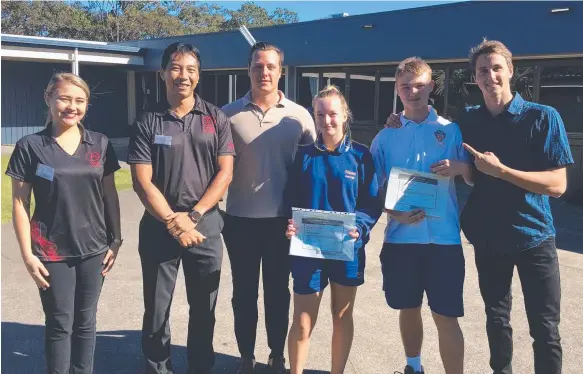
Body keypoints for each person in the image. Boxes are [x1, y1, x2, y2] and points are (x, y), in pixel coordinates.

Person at [458, 40, 573, 374]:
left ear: (510, 71)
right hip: (489, 238)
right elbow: (441, 140)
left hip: (534, 237)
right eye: (482, 70)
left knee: (545, 329)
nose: (490, 75)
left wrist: (502, 172)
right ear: (475, 78)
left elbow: (558, 185)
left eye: (496, 67)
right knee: (496, 319)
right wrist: (396, 120)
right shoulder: (469, 120)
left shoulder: (543, 118)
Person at [127, 42, 235, 374]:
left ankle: (200, 367)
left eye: (190, 69)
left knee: (204, 308)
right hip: (160, 227)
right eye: (175, 68)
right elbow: (142, 182)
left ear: (198, 76)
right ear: (162, 73)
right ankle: (157, 368)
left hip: (205, 226)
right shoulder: (148, 121)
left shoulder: (216, 117)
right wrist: (173, 220)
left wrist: (194, 216)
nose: (182, 76)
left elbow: (225, 172)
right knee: (157, 309)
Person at [6, 72, 123, 373]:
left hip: (95, 249)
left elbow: (109, 195)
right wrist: (28, 255)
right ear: (49, 98)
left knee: (86, 323)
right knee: (60, 324)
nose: (72, 107)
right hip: (51, 251)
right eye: (64, 98)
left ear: (87, 105)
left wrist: (116, 239)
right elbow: (20, 203)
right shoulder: (30, 146)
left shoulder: (100, 143)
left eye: (79, 101)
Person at [371, 57, 472, 374]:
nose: (413, 92)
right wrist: (393, 211)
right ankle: (413, 366)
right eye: (405, 87)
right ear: (397, 90)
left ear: (431, 86)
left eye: (419, 85)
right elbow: (371, 188)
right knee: (408, 307)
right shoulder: (386, 136)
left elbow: (472, 176)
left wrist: (460, 167)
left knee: (446, 315)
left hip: (444, 241)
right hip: (401, 240)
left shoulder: (451, 131)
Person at [221, 41, 316, 374]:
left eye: (271, 66)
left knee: (278, 293)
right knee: (243, 295)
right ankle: (246, 357)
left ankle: (277, 354)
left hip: (283, 223)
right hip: (239, 221)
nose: (264, 72)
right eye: (258, 66)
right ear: (248, 69)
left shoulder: (300, 116)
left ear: (281, 71)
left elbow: (315, 167)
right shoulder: (227, 115)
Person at [284, 85, 380, 374]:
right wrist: (290, 223)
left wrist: (360, 229)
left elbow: (371, 203)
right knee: (302, 320)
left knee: (341, 316)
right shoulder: (302, 156)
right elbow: (290, 198)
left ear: (345, 116)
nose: (327, 120)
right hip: (307, 250)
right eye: (320, 114)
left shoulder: (361, 156)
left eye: (333, 114)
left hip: (346, 249)